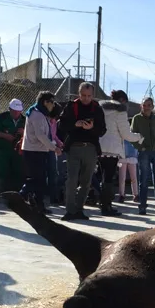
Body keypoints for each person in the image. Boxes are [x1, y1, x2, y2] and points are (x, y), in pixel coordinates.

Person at [58, 82, 107, 221]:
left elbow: (102, 130)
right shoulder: (71, 106)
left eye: (89, 96)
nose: (86, 98)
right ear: (79, 94)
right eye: (83, 95)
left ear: (93, 95)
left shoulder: (97, 108)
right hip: (74, 147)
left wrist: (91, 128)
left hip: (91, 148)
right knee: (72, 180)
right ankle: (69, 210)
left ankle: (79, 209)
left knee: (86, 181)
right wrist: (75, 124)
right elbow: (61, 125)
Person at [98, 90, 143, 217]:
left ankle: (104, 204)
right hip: (113, 149)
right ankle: (106, 206)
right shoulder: (120, 111)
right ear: (123, 100)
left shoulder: (101, 108)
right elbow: (126, 134)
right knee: (109, 178)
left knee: (103, 177)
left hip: (100, 147)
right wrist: (139, 136)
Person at [20, 92, 62, 214]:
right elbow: (41, 135)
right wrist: (54, 148)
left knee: (39, 180)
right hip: (33, 151)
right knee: (36, 179)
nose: (53, 105)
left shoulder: (40, 113)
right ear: (45, 102)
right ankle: (21, 196)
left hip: (38, 150)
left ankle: (38, 205)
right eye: (52, 102)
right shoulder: (37, 114)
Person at [130, 96, 155, 215]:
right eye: (144, 105)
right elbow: (132, 136)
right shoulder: (137, 118)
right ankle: (142, 206)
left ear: (152, 106)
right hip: (144, 152)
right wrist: (141, 147)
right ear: (141, 106)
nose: (146, 107)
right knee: (143, 180)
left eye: (149, 105)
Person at [0, 98, 26, 196]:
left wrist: (24, 132)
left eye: (18, 111)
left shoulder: (24, 120)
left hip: (18, 151)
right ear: (10, 109)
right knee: (2, 171)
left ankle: (17, 194)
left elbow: (32, 133)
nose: (16, 113)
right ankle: (0, 193)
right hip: (3, 150)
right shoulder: (1, 118)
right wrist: (5, 135)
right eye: (14, 111)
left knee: (18, 171)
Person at [47, 102, 64, 205]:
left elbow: (54, 136)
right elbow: (47, 137)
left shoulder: (54, 122)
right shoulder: (46, 121)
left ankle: (54, 198)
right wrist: (55, 146)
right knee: (50, 173)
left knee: (54, 173)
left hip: (53, 148)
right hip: (46, 149)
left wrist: (60, 143)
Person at [118, 138, 139, 202]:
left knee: (133, 178)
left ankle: (135, 195)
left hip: (131, 156)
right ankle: (122, 195)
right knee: (122, 178)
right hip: (123, 157)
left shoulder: (132, 132)